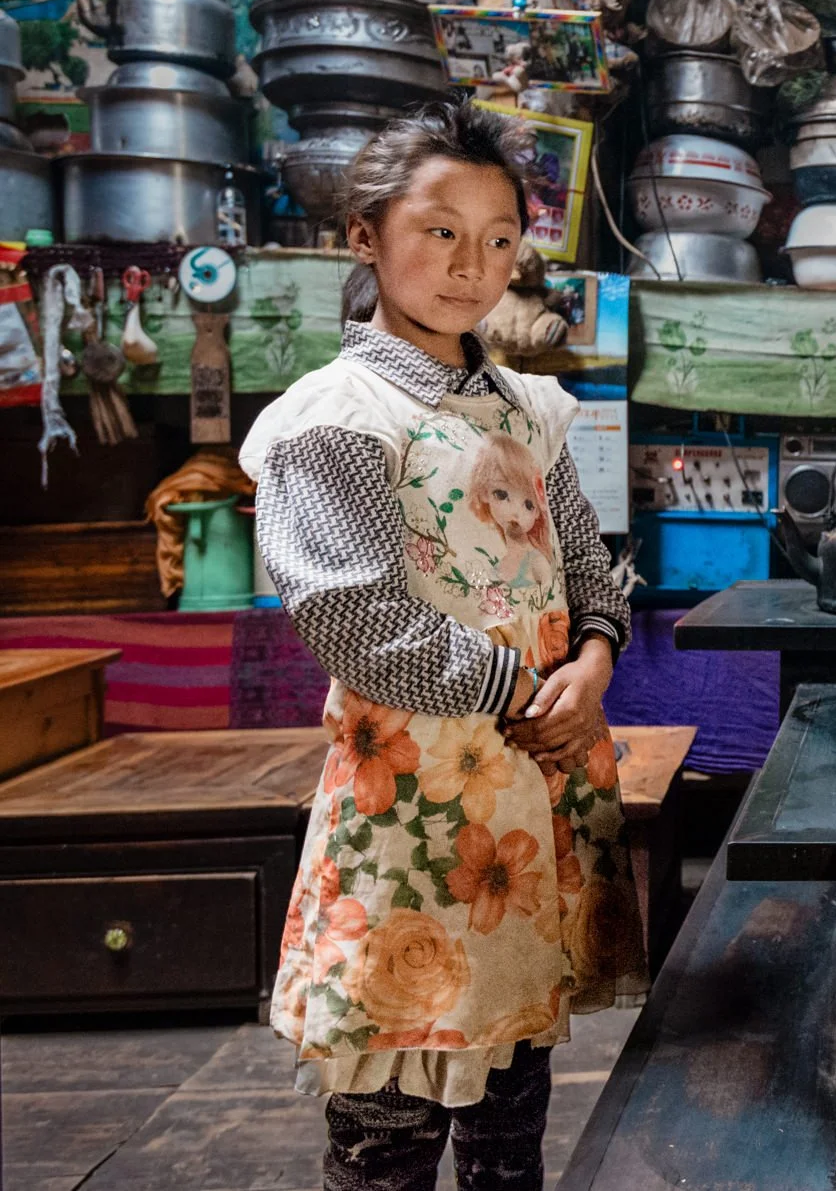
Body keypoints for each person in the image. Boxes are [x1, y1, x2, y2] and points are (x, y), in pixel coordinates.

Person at [239, 100, 646, 1191]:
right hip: (413, 820)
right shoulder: (335, 418)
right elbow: (363, 624)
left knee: (512, 1113)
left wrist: (595, 659)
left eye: (500, 238)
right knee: (390, 1127)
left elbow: (587, 572)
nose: (472, 266)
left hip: (535, 801)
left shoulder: (528, 408)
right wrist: (534, 686)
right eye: (439, 230)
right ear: (364, 237)